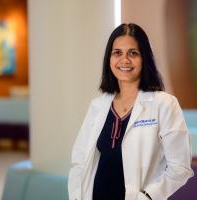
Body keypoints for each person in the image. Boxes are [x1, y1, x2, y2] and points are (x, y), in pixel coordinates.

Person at [68, 23, 194, 200]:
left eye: (133, 53)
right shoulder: (98, 105)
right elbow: (80, 161)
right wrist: (76, 196)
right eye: (117, 53)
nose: (124, 60)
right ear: (109, 58)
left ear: (145, 58)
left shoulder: (164, 104)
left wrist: (149, 196)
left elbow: (180, 167)